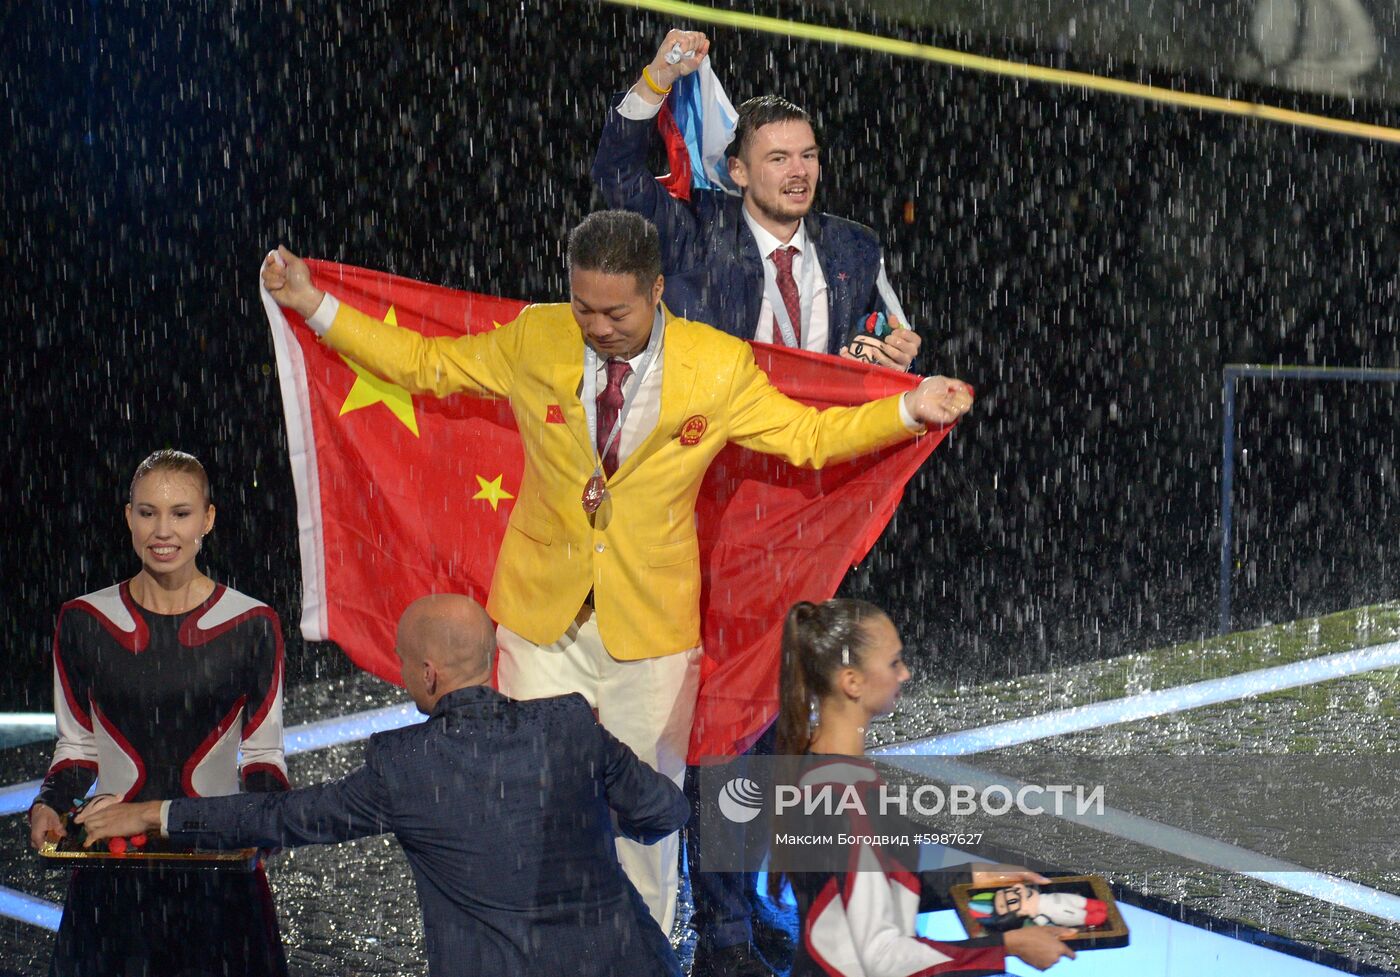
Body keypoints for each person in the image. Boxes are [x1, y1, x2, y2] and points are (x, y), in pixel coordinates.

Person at [257, 210, 973, 934]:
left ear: (657, 289)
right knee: (533, 814)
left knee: (648, 828)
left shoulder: (716, 364)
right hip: (539, 620)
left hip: (653, 628)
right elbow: (422, 363)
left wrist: (907, 407)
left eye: (615, 312)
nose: (596, 326)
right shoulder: (538, 335)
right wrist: (312, 302)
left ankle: (650, 957)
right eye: (583, 307)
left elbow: (809, 437)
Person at [77, 593, 688, 977]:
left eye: (401, 664)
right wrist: (597, 812)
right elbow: (664, 811)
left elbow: (284, 818)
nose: (399, 676)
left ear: (428, 672)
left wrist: (156, 813)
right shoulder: (571, 724)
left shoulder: (405, 766)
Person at [27, 449, 290, 977]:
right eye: (147, 512)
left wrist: (263, 824)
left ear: (208, 519)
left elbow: (264, 753)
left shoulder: (254, 623)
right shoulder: (82, 620)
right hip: (113, 872)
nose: (162, 530)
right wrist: (50, 803)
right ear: (128, 517)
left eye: (181, 513)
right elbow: (76, 744)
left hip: (217, 871)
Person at [769, 599, 1078, 976]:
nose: (906, 674)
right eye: (894, 663)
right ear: (852, 682)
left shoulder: (814, 766)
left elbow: (877, 894)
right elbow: (882, 957)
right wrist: (1007, 947)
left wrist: (974, 876)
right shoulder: (847, 799)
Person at [593, 28, 923, 372]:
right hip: (716, 422)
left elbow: (898, 349)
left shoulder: (854, 247)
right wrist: (657, 77)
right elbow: (618, 173)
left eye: (808, 156)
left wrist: (899, 354)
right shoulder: (693, 232)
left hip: (818, 424)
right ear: (738, 171)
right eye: (779, 159)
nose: (799, 171)